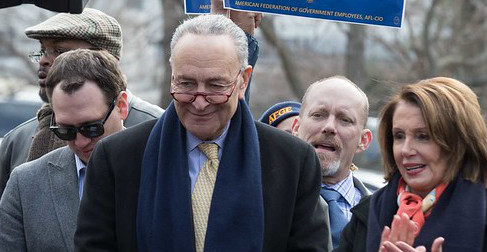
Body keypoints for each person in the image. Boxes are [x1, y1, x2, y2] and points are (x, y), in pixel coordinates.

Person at [74, 15, 329, 251]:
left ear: (244, 81)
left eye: (216, 86)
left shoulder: (292, 161)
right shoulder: (118, 158)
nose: (199, 101)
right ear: (172, 77)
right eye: (186, 84)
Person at [337, 77, 487, 252]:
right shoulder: (367, 212)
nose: (406, 149)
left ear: (458, 144)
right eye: (399, 136)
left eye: (423, 136)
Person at [0, 8, 164, 197]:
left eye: (59, 51)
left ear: (103, 59)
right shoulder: (18, 140)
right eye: (43, 50)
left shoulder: (156, 128)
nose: (43, 60)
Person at [0, 50, 129, 251]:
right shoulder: (25, 184)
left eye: (92, 127)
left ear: (121, 106)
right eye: (66, 130)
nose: (81, 141)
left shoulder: (162, 167)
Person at [292, 76, 373, 248]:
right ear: (296, 128)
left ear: (364, 140)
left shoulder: (383, 216)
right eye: (318, 115)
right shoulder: (265, 200)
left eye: (345, 119)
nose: (329, 127)